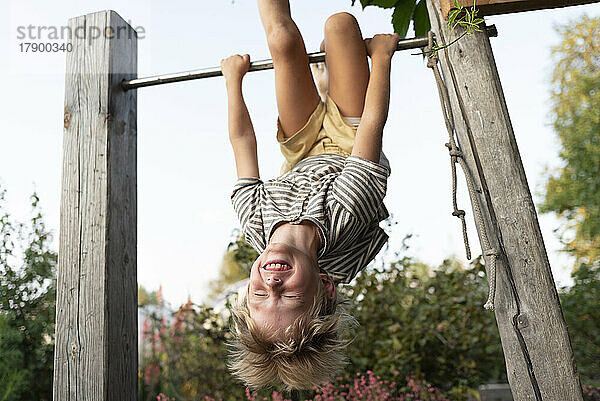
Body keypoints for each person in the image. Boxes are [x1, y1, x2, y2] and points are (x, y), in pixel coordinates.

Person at [220, 0, 400, 391]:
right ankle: (333, 74)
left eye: (259, 297)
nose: (272, 287)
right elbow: (373, 123)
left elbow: (242, 142)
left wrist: (232, 82)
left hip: (300, 151)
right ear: (325, 285)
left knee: (283, 42)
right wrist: (383, 58)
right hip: (351, 139)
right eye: (288, 300)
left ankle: (324, 78)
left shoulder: (256, 224)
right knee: (340, 25)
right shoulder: (345, 217)